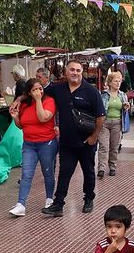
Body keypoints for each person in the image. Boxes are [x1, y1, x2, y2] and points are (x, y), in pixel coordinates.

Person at [10, 60, 104, 217]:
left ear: (82, 72)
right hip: (67, 142)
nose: (75, 73)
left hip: (86, 141)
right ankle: (58, 204)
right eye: (72, 70)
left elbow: (101, 117)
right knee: (64, 173)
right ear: (66, 72)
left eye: (78, 70)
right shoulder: (58, 89)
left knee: (88, 171)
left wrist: (94, 136)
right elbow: (37, 92)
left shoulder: (91, 91)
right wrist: (19, 99)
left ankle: (88, 198)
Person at [8, 78, 57, 217]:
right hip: (29, 144)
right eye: (34, 90)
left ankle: (49, 199)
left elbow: (43, 118)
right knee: (26, 174)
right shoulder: (24, 105)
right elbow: (22, 125)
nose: (38, 91)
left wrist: (38, 100)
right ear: (29, 92)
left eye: (40, 88)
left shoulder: (49, 101)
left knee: (47, 172)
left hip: (46, 143)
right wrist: (16, 118)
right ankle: (21, 204)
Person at [98, 72, 130, 179]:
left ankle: (112, 167)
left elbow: (125, 111)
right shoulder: (103, 95)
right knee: (103, 146)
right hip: (104, 123)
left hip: (117, 123)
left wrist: (126, 107)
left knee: (114, 147)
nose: (118, 83)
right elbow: (99, 109)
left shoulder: (122, 95)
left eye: (119, 81)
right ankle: (101, 168)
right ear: (110, 83)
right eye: (115, 81)